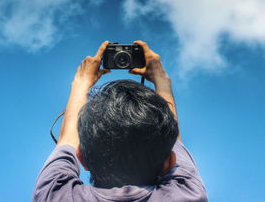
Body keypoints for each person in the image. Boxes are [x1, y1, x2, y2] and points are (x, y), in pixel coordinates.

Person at [33, 40, 208, 202]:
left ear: (82, 157)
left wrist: (81, 81)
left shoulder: (57, 195)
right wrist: (162, 79)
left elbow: (67, 140)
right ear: (170, 161)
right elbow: (172, 137)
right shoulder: (187, 195)